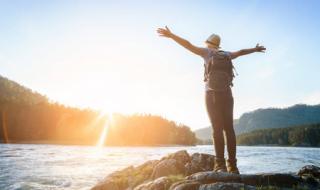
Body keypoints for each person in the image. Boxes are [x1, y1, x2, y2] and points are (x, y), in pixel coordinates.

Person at [157, 26, 266, 174]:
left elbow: (188, 44)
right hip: (227, 94)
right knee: (229, 129)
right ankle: (233, 166)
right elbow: (240, 52)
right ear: (218, 45)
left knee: (216, 129)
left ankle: (219, 165)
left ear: (208, 43)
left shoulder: (206, 52)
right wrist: (255, 49)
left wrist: (171, 35)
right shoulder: (226, 54)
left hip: (211, 94)